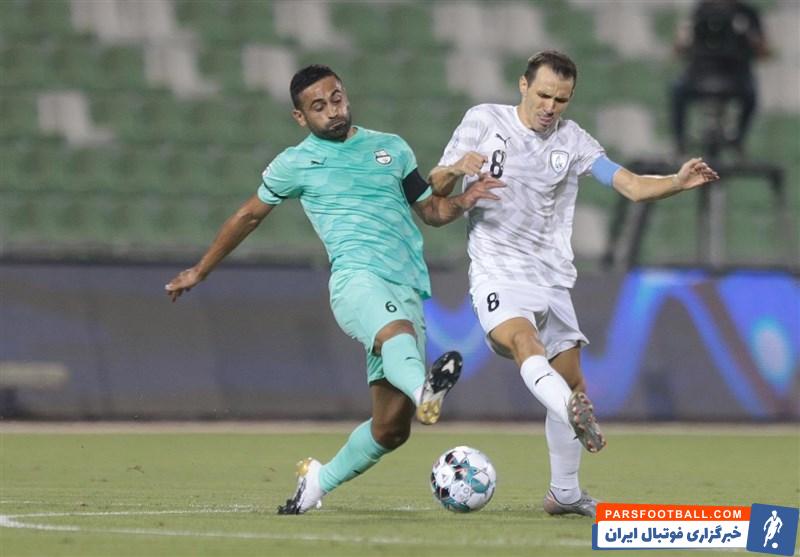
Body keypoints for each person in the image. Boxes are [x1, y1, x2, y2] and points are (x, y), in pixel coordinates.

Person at [165, 65, 503, 514]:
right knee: (396, 333)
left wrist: (464, 198)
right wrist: (201, 270)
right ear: (300, 117)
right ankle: (425, 391)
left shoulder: (392, 148)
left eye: (337, 99)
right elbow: (248, 216)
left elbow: (431, 212)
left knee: (391, 430)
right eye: (318, 106)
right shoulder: (295, 162)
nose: (332, 111)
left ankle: (316, 482)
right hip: (356, 280)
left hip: (406, 285)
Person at [429, 50, 719, 518]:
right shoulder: (483, 120)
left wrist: (676, 182)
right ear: (523, 86)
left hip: (551, 279)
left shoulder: (574, 141)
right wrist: (456, 168)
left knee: (571, 382)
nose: (551, 107)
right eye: (544, 95)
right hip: (498, 270)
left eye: (561, 99)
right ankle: (570, 411)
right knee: (524, 342)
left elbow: (631, 185)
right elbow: (437, 185)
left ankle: (564, 493)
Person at [670, 0, 770, 156]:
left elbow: (763, 51)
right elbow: (679, 48)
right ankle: (680, 144)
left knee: (751, 95)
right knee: (676, 91)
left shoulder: (747, 14)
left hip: (736, 75)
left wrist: (750, 37)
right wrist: (685, 37)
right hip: (699, 74)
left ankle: (738, 140)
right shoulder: (700, 10)